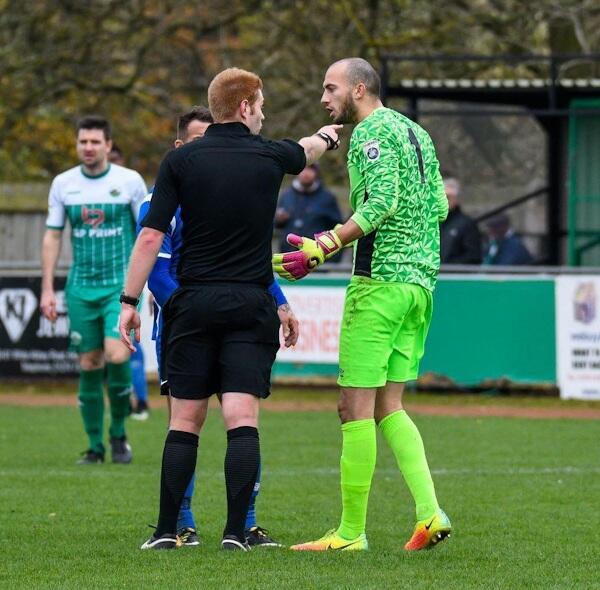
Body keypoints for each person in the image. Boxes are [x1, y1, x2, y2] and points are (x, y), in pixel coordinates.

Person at [118, 67, 342, 551]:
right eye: (260, 105)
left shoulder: (180, 162)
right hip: (249, 303)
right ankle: (237, 532)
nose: (262, 114)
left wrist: (129, 302)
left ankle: (164, 532)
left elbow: (151, 238)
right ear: (244, 107)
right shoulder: (268, 155)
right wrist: (327, 134)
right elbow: (306, 150)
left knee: (184, 421)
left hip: (192, 304)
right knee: (241, 417)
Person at [273, 57, 452, 552]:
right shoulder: (417, 133)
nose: (323, 100)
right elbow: (438, 205)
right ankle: (429, 512)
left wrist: (324, 244)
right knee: (389, 405)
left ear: (357, 88)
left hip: (379, 285)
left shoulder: (370, 134)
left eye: (329, 89)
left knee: (353, 406)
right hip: (420, 286)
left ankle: (351, 533)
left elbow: (379, 205)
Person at [137, 105, 291, 547]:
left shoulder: (229, 190)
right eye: (203, 142)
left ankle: (245, 524)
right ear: (181, 148)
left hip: (221, 311)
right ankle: (181, 523)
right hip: (186, 322)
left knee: (240, 416)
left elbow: (251, 261)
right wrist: (185, 307)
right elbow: (159, 271)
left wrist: (279, 301)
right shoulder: (161, 200)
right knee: (186, 419)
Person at [40, 115, 147, 464]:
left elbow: (146, 231)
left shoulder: (129, 181)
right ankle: (94, 446)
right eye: (82, 142)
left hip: (120, 284)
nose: (88, 148)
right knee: (89, 362)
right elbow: (53, 235)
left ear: (108, 145)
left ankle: (118, 434)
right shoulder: (64, 184)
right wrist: (47, 289)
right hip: (81, 285)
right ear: (77, 145)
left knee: (116, 355)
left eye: (94, 142)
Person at [107, 143, 150, 420]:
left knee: (129, 344)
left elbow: (147, 235)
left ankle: (140, 401)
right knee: (113, 348)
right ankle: (128, 401)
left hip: (127, 281)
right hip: (98, 280)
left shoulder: (132, 187)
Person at [275, 163, 343, 261]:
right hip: (288, 258)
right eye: (303, 169)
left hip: (317, 262)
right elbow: (276, 225)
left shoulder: (327, 198)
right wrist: (278, 220)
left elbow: (338, 230)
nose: (306, 173)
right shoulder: (286, 196)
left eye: (310, 169)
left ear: (316, 172)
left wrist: (332, 260)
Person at [440, 176, 482, 264]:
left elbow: (473, 256)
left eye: (448, 197)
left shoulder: (466, 224)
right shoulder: (432, 223)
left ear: (456, 199)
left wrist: (447, 266)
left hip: (453, 275)